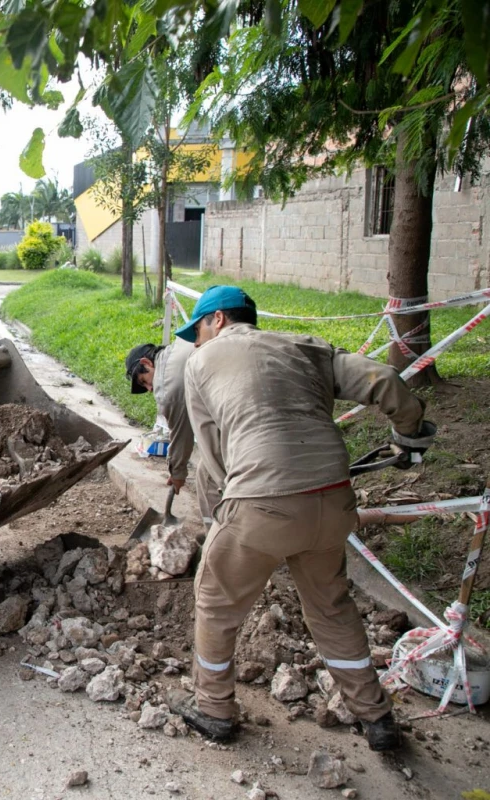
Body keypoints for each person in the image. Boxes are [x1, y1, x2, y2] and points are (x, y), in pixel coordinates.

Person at [171, 285, 434, 752]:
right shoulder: (306, 347)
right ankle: (375, 717)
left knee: (215, 602)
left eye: (199, 330)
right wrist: (409, 435)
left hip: (259, 502)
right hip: (333, 502)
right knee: (332, 609)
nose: (197, 340)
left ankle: (213, 710)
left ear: (219, 319)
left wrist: (230, 505)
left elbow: (211, 450)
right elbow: (385, 379)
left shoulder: (200, 362)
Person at [125, 338, 222, 525]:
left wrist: (177, 473)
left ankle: (217, 536)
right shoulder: (179, 348)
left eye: (145, 381)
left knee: (210, 478)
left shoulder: (167, 385)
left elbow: (181, 433)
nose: (150, 388)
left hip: (243, 422)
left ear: (147, 363)